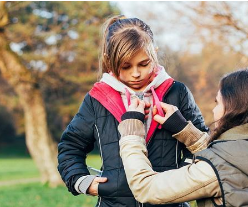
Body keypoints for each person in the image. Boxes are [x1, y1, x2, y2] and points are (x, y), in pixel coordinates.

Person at [57, 15, 208, 207]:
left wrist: (184, 173)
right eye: (125, 66)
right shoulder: (97, 99)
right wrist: (82, 181)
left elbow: (204, 146)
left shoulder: (177, 92)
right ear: (109, 61)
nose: (135, 73)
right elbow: (70, 147)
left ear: (155, 53)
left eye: (143, 64)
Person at [118, 68, 248, 207]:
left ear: (234, 109)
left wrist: (132, 132)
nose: (214, 111)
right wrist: (185, 131)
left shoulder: (214, 172)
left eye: (218, 103)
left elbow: (147, 188)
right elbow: (239, 160)